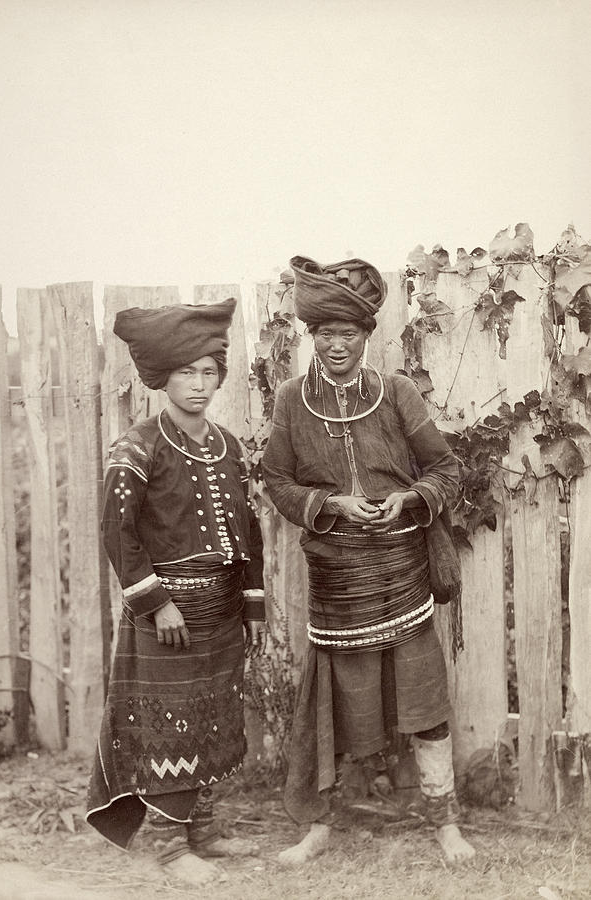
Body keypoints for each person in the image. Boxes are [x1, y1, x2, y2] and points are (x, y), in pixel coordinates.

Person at [261, 256, 475, 867]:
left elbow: (447, 469)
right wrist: (332, 503)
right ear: (311, 335)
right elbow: (276, 481)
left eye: (347, 334)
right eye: (324, 333)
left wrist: (411, 498)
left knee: (425, 703)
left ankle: (445, 821)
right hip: (336, 581)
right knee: (329, 707)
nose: (335, 345)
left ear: (366, 336)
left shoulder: (397, 392)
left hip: (402, 576)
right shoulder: (290, 401)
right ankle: (318, 827)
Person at [86, 298, 268, 886]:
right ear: (162, 377)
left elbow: (251, 530)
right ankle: (168, 842)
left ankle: (205, 829)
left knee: (215, 715)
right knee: (171, 723)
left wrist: (252, 604)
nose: (198, 383)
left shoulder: (230, 446)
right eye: (186, 372)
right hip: (166, 611)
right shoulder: (137, 448)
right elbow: (118, 531)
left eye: (209, 371)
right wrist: (156, 602)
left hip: (220, 608)